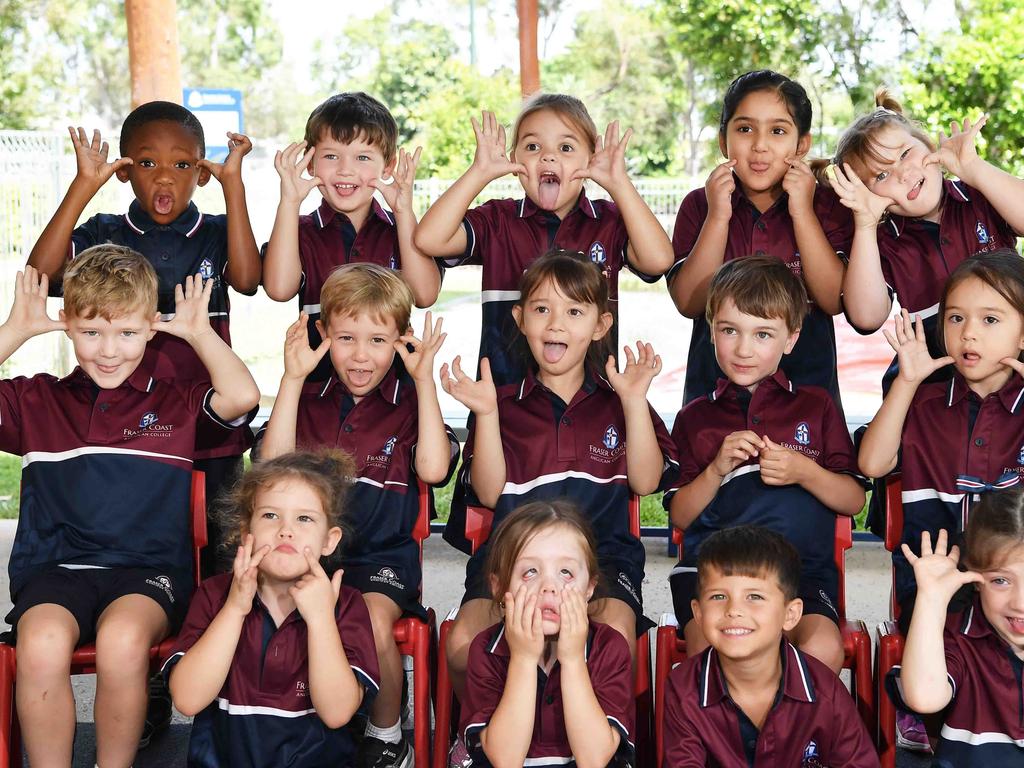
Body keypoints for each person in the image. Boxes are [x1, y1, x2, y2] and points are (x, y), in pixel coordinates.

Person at [0, 246, 259, 768]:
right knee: (42, 642)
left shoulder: (176, 401)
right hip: (56, 571)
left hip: (147, 574)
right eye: (91, 332)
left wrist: (200, 333)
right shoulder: (35, 400)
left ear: (151, 329)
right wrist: (16, 331)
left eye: (126, 333)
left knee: (122, 641)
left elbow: (242, 397)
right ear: (67, 325)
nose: (108, 351)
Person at [27, 100, 263, 576]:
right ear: (124, 171)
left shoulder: (216, 232)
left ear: (201, 173)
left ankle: (208, 645)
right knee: (146, 549)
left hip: (210, 422)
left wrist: (233, 188)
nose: (164, 177)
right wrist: (81, 187)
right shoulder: (105, 233)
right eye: (148, 162)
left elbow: (246, 278)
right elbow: (42, 275)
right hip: (130, 429)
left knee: (219, 555)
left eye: (182, 164)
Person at [441, 249, 677, 695]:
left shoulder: (621, 401)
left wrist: (632, 400)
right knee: (461, 643)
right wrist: (487, 415)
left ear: (600, 325)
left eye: (574, 311)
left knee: (615, 640)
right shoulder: (501, 402)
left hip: (602, 557)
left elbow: (646, 483)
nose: (556, 324)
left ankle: (607, 743)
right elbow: (491, 495)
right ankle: (474, 741)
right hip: (513, 558)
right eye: (542, 309)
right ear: (520, 318)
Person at [258, 263, 459, 768]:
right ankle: (282, 720)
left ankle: (387, 733)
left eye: (377, 339)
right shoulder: (307, 394)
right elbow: (269, 469)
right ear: (323, 333)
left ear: (401, 339)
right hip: (302, 554)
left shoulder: (411, 399)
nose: (361, 355)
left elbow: (434, 469)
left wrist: (426, 382)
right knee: (266, 611)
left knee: (368, 620)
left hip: (381, 558)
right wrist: (292, 377)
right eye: (346, 337)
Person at [665, 256, 865, 673]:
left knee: (822, 647)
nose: (743, 349)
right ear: (710, 330)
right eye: (729, 331)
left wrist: (804, 471)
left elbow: (852, 501)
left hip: (800, 573)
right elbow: (680, 516)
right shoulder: (695, 417)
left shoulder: (816, 405)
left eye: (762, 334)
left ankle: (792, 739)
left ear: (791, 339)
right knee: (708, 651)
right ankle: (721, 738)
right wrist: (716, 469)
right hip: (713, 575)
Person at [414, 93, 673, 387]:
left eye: (565, 147)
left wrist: (619, 183)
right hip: (501, 407)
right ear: (514, 159)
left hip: (593, 408)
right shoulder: (498, 219)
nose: (548, 157)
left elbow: (659, 260)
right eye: (533, 146)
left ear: (591, 157)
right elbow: (429, 239)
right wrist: (479, 173)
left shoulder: (610, 221)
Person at [163, 450, 380, 768]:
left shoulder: (346, 604)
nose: (285, 530)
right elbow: (187, 699)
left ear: (329, 541)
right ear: (245, 531)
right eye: (270, 515)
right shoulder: (214, 595)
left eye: (304, 518)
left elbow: (337, 713)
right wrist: (235, 609)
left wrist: (320, 620)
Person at [859, 249, 1024, 629]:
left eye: (990, 320)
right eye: (955, 318)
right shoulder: (921, 403)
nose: (969, 332)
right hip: (935, 584)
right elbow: (872, 464)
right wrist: (906, 382)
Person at [668, 70, 852, 406]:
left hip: (808, 403)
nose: (760, 146)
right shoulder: (701, 204)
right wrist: (718, 217)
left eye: (778, 131)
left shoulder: (826, 206)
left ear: (802, 144)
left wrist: (803, 213)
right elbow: (688, 303)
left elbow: (834, 300)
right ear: (724, 140)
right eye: (744, 129)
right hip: (712, 402)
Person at [829, 90, 1023, 375]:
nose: (903, 173)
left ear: (928, 144)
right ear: (868, 195)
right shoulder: (882, 242)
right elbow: (866, 318)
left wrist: (973, 167)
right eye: (881, 176)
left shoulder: (981, 196)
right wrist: (866, 225)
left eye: (906, 154)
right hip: (937, 379)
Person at [662, 526, 879, 767]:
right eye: (718, 596)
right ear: (698, 613)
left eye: (754, 597)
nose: (734, 610)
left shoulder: (826, 691)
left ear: (791, 614)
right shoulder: (683, 687)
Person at [262, 92, 441, 381]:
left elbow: (424, 295)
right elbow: (279, 289)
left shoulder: (400, 228)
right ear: (310, 163)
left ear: (388, 166)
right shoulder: (300, 230)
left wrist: (404, 211)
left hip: (394, 394)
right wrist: (289, 201)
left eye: (363, 157)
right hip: (316, 394)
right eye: (331, 156)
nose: (346, 169)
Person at [456, 500, 634, 768]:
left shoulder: (609, 647)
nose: (549, 586)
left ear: (589, 588)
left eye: (566, 572)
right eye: (530, 572)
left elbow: (594, 759)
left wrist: (574, 660)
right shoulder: (486, 649)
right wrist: (524, 659)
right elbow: (505, 760)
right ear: (498, 586)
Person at [889, 492, 1024, 766]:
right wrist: (932, 598)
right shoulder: (961, 636)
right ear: (974, 576)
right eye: (1000, 580)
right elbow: (924, 697)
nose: (1020, 603)